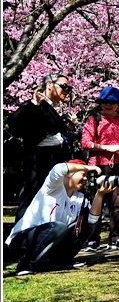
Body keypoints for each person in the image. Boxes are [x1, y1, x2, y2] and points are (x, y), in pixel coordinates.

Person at [6, 160, 116, 276]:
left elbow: (92, 221)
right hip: (22, 242)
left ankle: (61, 260)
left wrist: (100, 195)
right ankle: (25, 263)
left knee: (87, 226)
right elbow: (59, 168)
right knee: (59, 227)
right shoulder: (53, 187)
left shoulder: (79, 198)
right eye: (83, 174)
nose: (85, 179)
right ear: (69, 174)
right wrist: (87, 167)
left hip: (50, 244)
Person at [6, 73, 73, 221]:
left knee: (52, 197)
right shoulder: (35, 104)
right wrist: (34, 103)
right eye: (64, 87)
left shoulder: (50, 107)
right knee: (32, 193)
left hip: (56, 157)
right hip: (40, 158)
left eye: (69, 88)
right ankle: (19, 236)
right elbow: (14, 121)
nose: (66, 91)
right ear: (50, 85)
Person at [80, 86, 119, 251]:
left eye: (112, 102)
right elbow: (85, 142)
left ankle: (116, 238)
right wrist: (107, 148)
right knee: (95, 201)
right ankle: (93, 239)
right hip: (97, 166)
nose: (108, 105)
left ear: (118, 104)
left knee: (118, 202)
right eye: (104, 102)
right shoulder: (94, 119)